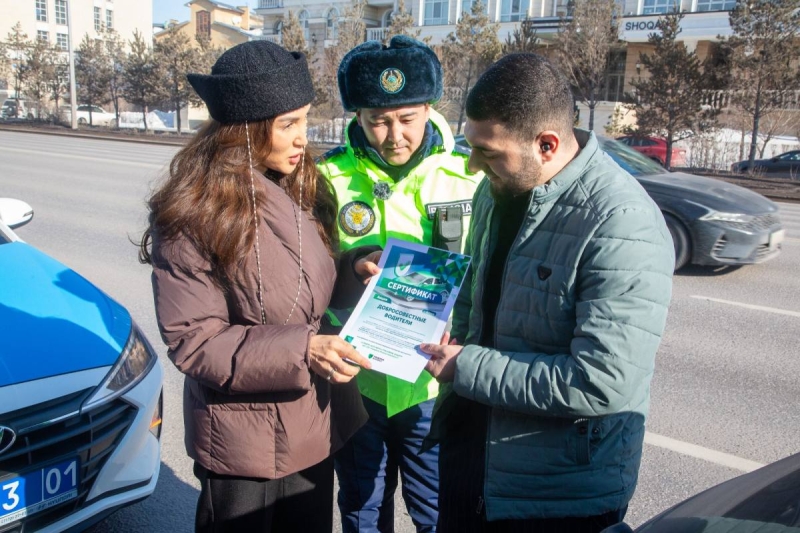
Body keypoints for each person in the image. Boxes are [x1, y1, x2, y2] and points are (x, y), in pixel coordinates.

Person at [421, 53, 675, 532]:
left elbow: (601, 381)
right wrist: (412, 299)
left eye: (489, 153)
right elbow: (479, 303)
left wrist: (465, 366)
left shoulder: (621, 222)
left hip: (554, 496)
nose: (473, 166)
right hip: (473, 459)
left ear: (546, 144)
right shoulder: (497, 191)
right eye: (471, 146)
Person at [139, 40, 375, 533]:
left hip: (310, 424)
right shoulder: (193, 214)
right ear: (245, 128)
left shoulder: (296, 183)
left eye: (305, 120)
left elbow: (302, 282)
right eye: (287, 124)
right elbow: (195, 341)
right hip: (241, 440)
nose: (302, 139)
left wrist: (352, 270)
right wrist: (303, 351)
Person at [317, 36, 484, 533]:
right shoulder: (329, 178)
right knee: (362, 506)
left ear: (430, 109)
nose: (394, 136)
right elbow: (306, 277)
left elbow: (490, 276)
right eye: (378, 120)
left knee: (437, 509)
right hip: (357, 379)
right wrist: (350, 269)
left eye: (407, 119)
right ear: (359, 117)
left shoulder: (466, 176)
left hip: (431, 386)